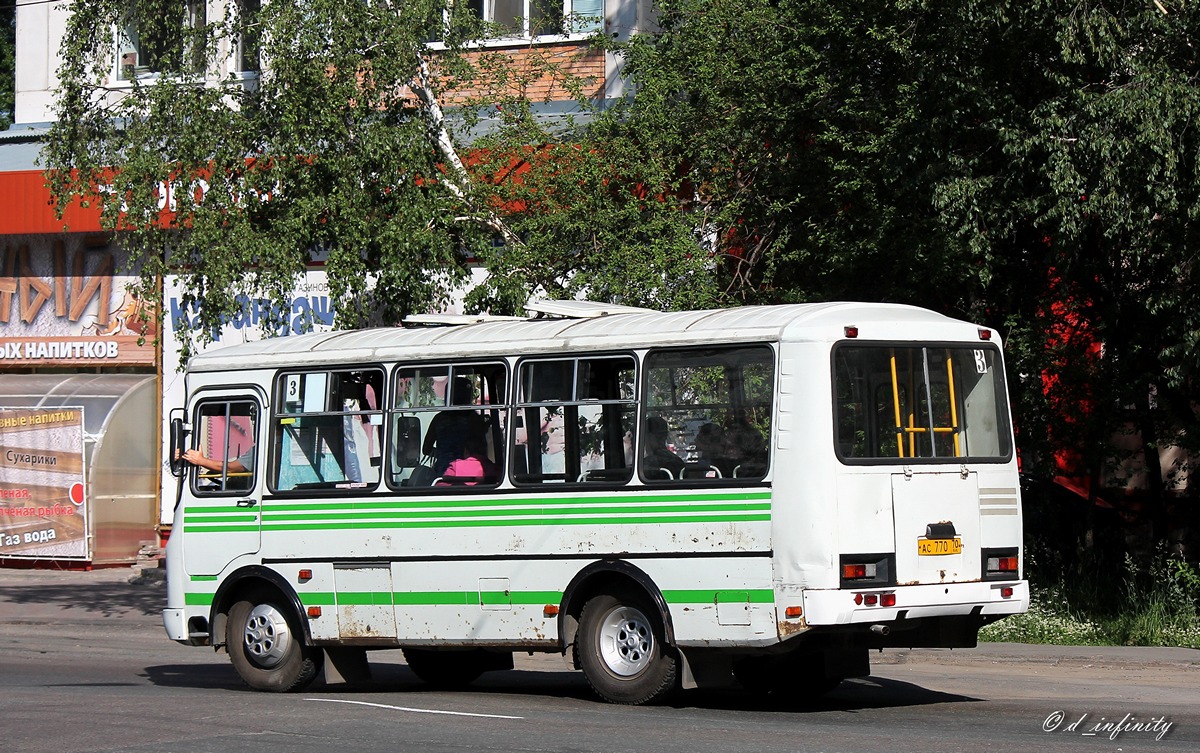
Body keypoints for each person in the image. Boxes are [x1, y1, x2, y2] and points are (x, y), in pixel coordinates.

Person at [423, 377, 476, 476]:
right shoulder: (473, 419)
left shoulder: (439, 419)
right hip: (468, 475)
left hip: (443, 473)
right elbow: (481, 449)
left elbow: (426, 449)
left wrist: (442, 452)